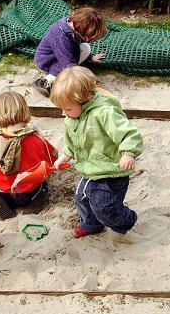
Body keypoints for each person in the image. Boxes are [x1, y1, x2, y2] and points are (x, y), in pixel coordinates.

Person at [51, 66, 143, 244]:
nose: (63, 113)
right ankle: (91, 224)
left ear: (86, 98)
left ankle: (125, 222)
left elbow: (128, 133)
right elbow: (73, 141)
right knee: (82, 198)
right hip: (89, 169)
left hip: (110, 171)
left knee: (104, 206)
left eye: (67, 109)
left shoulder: (104, 113)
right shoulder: (71, 118)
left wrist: (128, 153)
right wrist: (65, 155)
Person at [0, 91, 57, 220]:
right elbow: (51, 160)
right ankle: (36, 202)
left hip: (2, 194)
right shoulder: (37, 141)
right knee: (43, 186)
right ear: (25, 111)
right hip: (29, 193)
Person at [33, 7, 107, 97]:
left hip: (62, 54)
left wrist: (90, 57)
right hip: (47, 61)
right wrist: (84, 81)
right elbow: (68, 65)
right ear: (81, 28)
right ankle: (45, 81)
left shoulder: (74, 27)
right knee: (69, 72)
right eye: (88, 37)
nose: (88, 39)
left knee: (86, 48)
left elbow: (80, 44)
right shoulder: (60, 37)